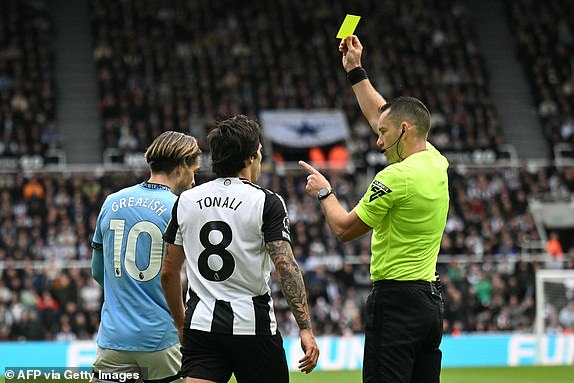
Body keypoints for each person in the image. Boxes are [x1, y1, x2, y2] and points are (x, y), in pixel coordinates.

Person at [299, 35, 449, 383]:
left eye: (383, 135)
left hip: (396, 303)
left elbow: (344, 229)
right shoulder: (436, 162)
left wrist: (325, 192)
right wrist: (355, 71)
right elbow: (385, 115)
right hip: (429, 303)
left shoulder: (395, 176)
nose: (378, 141)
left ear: (404, 130)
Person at [162, 115, 319, 383]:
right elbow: (285, 266)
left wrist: (180, 323)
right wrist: (305, 328)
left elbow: (168, 272)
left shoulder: (185, 200)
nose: (260, 157)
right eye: (259, 151)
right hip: (253, 327)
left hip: (201, 327)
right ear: (248, 158)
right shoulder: (266, 201)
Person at [91, 131, 201, 382]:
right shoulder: (180, 207)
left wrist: (127, 294)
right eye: (194, 170)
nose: (194, 180)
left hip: (113, 341)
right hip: (161, 340)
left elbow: (98, 273)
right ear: (182, 166)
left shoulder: (111, 202)